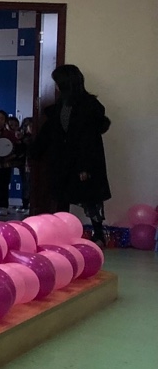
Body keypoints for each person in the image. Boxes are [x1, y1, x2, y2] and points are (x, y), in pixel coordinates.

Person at [34, 65, 111, 243]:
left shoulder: (89, 106)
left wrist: (85, 167)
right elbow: (51, 132)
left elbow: (89, 140)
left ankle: (99, 235)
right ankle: (61, 234)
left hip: (83, 160)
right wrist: (35, 152)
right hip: (63, 160)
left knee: (91, 199)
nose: (55, 86)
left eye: (57, 82)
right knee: (62, 199)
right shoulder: (61, 104)